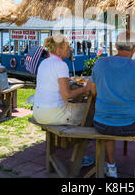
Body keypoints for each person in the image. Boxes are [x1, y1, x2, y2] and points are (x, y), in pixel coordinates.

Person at [91, 30, 135, 178]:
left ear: (115, 46)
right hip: (129, 127)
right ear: (134, 48)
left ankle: (111, 167)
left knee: (109, 127)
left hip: (100, 124)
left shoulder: (99, 64)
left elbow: (94, 92)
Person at [33, 34, 93, 167]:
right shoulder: (61, 65)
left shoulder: (44, 62)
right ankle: (78, 156)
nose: (70, 49)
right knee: (90, 111)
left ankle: (67, 143)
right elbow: (67, 95)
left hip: (38, 112)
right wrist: (85, 89)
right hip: (52, 114)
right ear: (58, 50)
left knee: (78, 107)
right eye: (67, 47)